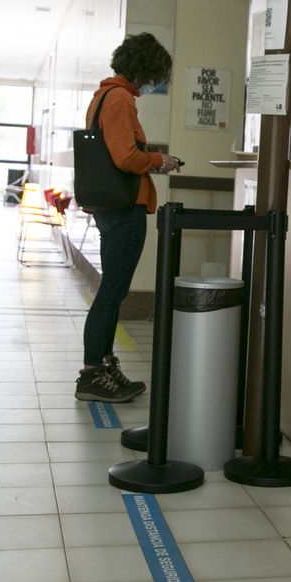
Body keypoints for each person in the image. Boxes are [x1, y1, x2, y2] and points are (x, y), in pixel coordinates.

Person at [76, 33, 181, 403]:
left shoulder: (105, 96)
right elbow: (125, 158)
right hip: (123, 207)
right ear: (144, 68)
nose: (154, 82)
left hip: (110, 207)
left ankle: (104, 366)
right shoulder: (119, 98)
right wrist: (160, 161)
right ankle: (91, 374)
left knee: (113, 290)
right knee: (112, 293)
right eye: (155, 73)